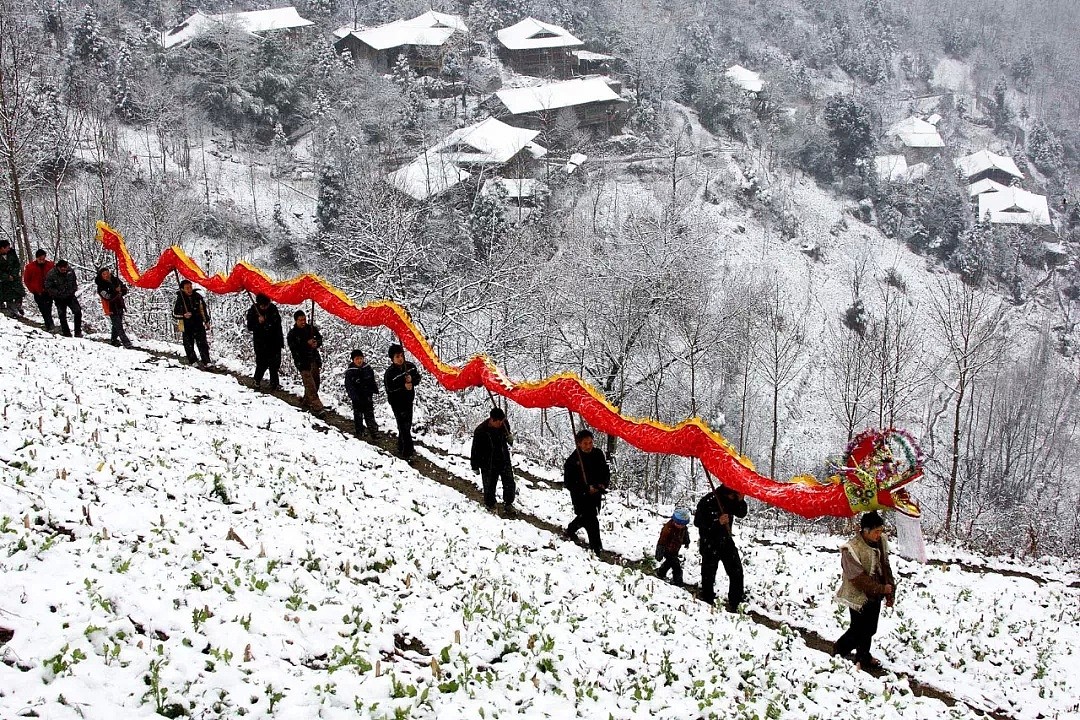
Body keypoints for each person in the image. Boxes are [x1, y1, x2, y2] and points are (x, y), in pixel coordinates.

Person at [833, 511, 896, 669]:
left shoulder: (880, 541)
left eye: (881, 531)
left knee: (870, 629)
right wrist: (882, 588)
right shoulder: (851, 549)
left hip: (876, 594)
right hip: (858, 595)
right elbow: (858, 579)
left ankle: (863, 657)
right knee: (858, 629)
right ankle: (839, 651)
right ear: (865, 531)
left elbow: (885, 566)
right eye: (876, 531)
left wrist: (890, 591)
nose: (879, 534)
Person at [695, 483, 748, 611]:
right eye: (732, 495)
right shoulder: (708, 500)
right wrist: (717, 521)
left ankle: (736, 601)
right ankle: (707, 599)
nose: (732, 498)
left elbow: (741, 513)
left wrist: (741, 500)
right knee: (709, 572)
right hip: (709, 541)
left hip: (726, 541)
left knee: (736, 571)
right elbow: (698, 522)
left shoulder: (733, 499)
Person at [562, 429, 610, 553]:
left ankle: (571, 529)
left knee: (585, 518)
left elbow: (605, 471)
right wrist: (585, 489)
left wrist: (603, 484)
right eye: (585, 443)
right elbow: (569, 483)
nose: (588, 446)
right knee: (591, 519)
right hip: (580, 496)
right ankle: (596, 548)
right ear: (579, 443)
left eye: (590, 443)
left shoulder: (598, 454)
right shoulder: (572, 461)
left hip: (596, 494)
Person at [470, 407, 515, 515]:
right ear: (492, 420)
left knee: (509, 482)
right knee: (489, 485)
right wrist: (474, 466)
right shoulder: (481, 430)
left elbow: (507, 434)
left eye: (502, 421)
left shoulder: (504, 423)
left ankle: (508, 503)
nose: (501, 424)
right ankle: (490, 504)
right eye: (499, 422)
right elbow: (475, 449)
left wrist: (509, 437)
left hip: (503, 458)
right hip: (488, 462)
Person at [384, 343, 421, 460]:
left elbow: (418, 378)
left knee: (407, 425)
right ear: (392, 359)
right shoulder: (389, 373)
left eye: (401, 355)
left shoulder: (410, 366)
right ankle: (408, 452)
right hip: (396, 402)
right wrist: (403, 385)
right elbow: (389, 387)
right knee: (403, 426)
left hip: (408, 400)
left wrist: (412, 380)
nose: (400, 359)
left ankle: (401, 445)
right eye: (397, 357)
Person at [286, 310, 324, 414]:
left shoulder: (310, 329)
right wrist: (306, 344)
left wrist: (316, 343)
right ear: (296, 320)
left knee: (315, 383)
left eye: (304, 319)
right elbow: (294, 348)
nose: (303, 322)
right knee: (310, 384)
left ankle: (307, 401)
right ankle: (318, 407)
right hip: (302, 362)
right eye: (300, 320)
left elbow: (319, 338)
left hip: (313, 359)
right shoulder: (292, 334)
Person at [245, 293, 284, 390]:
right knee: (262, 363)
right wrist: (258, 322)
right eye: (263, 306)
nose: (265, 307)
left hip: (274, 341)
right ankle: (257, 380)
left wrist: (267, 321)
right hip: (261, 342)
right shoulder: (253, 311)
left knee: (275, 363)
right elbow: (250, 326)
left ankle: (274, 383)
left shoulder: (273, 309)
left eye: (266, 305)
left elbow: (277, 324)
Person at [173, 280, 212, 366]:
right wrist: (184, 315)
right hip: (186, 326)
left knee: (202, 343)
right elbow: (174, 314)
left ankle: (207, 361)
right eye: (187, 288)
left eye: (190, 287)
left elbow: (203, 310)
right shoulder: (180, 299)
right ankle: (193, 361)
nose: (190, 289)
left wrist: (206, 321)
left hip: (198, 323)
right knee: (189, 344)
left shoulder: (198, 297)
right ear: (182, 289)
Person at [344, 349, 379, 439]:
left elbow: (372, 380)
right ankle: (360, 431)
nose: (359, 361)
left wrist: (374, 389)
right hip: (357, 397)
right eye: (357, 359)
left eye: (361, 358)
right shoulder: (350, 372)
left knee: (369, 414)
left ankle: (374, 432)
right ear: (353, 360)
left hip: (367, 395)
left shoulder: (367, 368)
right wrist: (353, 396)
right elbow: (349, 386)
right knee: (358, 415)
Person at [94, 267, 132, 348]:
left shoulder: (115, 280)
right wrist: (116, 292)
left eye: (107, 273)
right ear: (101, 276)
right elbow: (107, 297)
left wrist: (121, 290)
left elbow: (124, 289)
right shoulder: (101, 286)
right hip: (110, 307)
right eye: (104, 274)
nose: (106, 275)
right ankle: (127, 343)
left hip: (119, 305)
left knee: (116, 325)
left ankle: (113, 340)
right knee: (118, 326)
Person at [655, 507, 691, 586]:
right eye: (678, 524)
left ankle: (660, 573)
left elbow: (685, 535)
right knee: (676, 566)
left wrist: (687, 542)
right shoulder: (668, 529)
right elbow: (662, 541)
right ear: (674, 521)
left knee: (669, 563)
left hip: (675, 549)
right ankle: (677, 582)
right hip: (666, 550)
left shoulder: (683, 528)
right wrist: (659, 552)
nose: (680, 526)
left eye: (682, 525)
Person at [45, 260, 82, 337]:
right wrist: (58, 294)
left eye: (65, 268)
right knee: (62, 315)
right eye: (62, 269)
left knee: (78, 312)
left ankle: (78, 332)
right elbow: (48, 287)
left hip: (70, 296)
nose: (64, 270)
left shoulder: (70, 272)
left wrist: (70, 292)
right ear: (58, 267)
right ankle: (66, 333)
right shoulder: (51, 274)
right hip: (59, 298)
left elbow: (74, 284)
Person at [22, 249, 55, 331]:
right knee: (43, 308)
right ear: (36, 258)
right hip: (38, 292)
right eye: (40, 259)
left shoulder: (50, 265)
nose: (42, 261)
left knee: (48, 308)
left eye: (43, 259)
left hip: (48, 291)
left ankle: (50, 324)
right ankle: (49, 324)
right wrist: (32, 289)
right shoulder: (30, 267)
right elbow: (26, 280)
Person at [0, 239, 25, 317]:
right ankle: (12, 311)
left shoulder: (12, 253)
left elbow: (16, 264)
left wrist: (13, 274)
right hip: (4, 280)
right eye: (7, 247)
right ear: (2, 248)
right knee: (8, 296)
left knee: (19, 293)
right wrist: (6, 276)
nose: (8, 249)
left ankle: (18, 307)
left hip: (14, 277)